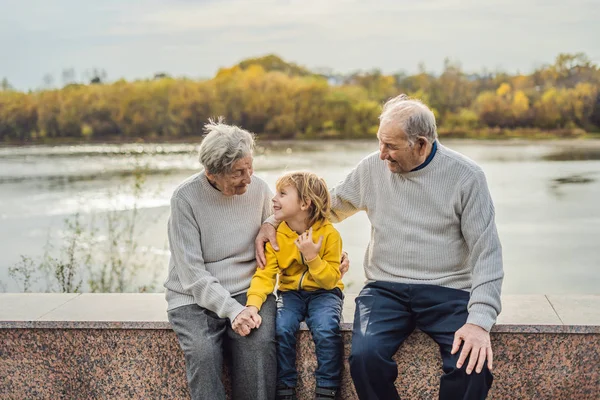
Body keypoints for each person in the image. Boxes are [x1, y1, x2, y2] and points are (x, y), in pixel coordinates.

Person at [256, 95, 504, 400]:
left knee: (471, 366)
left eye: (391, 146)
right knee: (364, 358)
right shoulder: (372, 168)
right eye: (380, 143)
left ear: (422, 145)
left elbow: (487, 254)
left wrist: (480, 322)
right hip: (385, 290)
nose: (382, 154)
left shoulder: (467, 177)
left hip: (448, 291)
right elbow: (322, 207)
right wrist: (271, 221)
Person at [164, 119, 276, 400]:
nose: (248, 178)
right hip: (192, 296)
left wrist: (272, 223)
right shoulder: (185, 198)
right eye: (239, 172)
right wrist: (231, 310)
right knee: (203, 353)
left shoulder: (259, 189)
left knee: (259, 346)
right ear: (212, 173)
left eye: (250, 167)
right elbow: (191, 274)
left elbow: (285, 226)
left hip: (248, 291)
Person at [246, 172, 344, 400]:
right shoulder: (277, 235)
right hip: (291, 294)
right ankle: (285, 388)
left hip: (326, 293)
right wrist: (252, 305)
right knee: (282, 327)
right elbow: (265, 275)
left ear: (304, 203)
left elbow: (331, 279)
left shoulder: (329, 235)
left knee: (326, 329)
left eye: (282, 194)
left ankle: (327, 389)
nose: (274, 199)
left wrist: (312, 258)